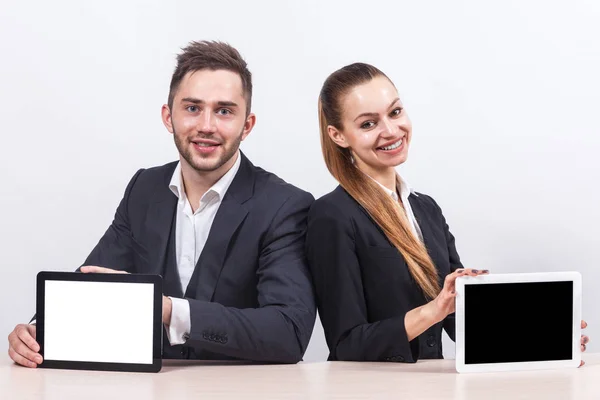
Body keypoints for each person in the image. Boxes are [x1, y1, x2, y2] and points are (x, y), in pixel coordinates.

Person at [8, 41, 316, 367]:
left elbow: (288, 333)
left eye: (224, 111)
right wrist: (37, 331)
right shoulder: (144, 189)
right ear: (169, 117)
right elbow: (93, 281)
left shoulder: (285, 206)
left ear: (247, 125)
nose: (207, 125)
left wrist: (168, 310)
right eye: (192, 108)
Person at [306, 62, 590, 363]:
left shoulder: (425, 209)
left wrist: (545, 340)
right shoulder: (332, 215)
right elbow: (347, 345)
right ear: (338, 136)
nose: (391, 130)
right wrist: (433, 310)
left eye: (395, 112)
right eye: (368, 124)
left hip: (435, 387)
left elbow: (460, 317)